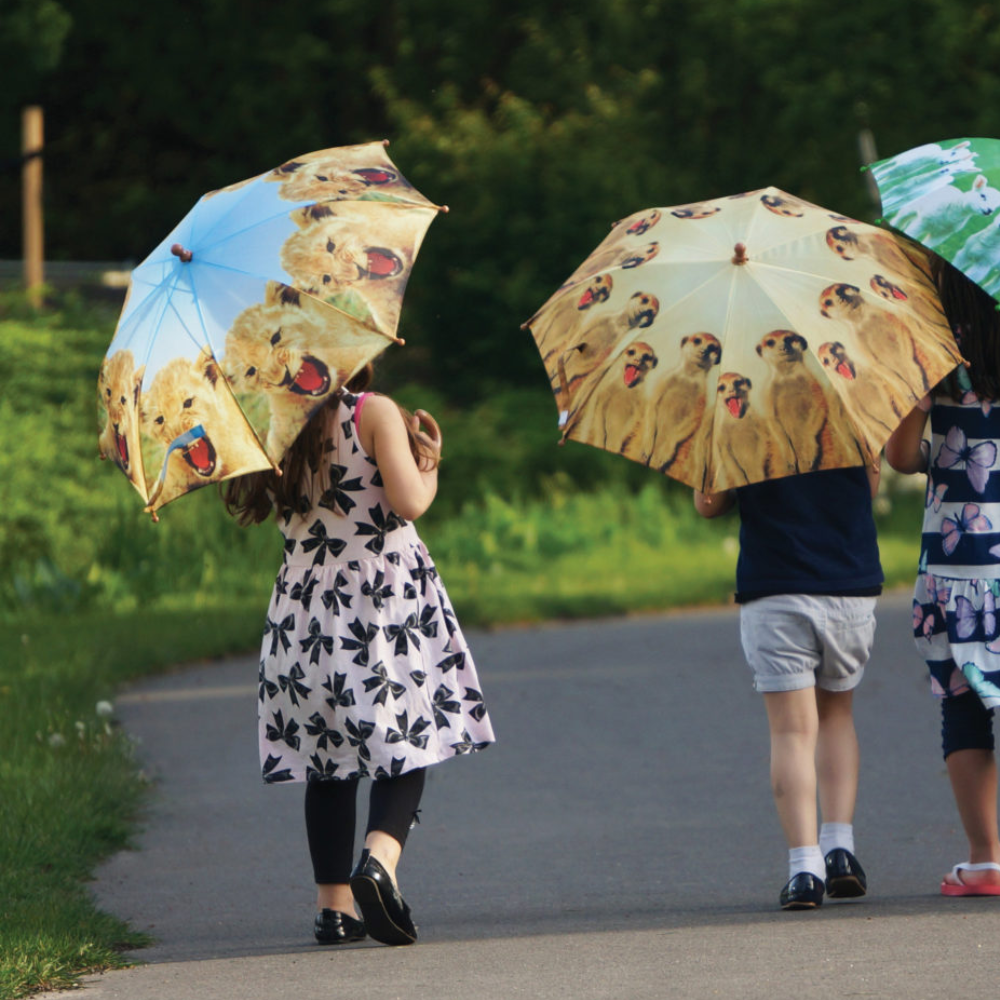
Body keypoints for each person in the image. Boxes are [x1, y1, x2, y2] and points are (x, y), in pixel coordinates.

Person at [224, 363, 496, 945]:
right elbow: (408, 503)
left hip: (302, 609)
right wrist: (429, 463)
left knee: (326, 757)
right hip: (378, 602)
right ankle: (378, 860)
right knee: (409, 735)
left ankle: (334, 910)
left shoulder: (275, 421)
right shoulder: (371, 411)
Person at [694, 461, 882, 910]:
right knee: (837, 716)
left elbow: (709, 503)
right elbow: (869, 487)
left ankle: (804, 870)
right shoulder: (853, 397)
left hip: (774, 587)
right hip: (849, 583)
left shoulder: (740, 405)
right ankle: (840, 849)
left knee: (792, 733)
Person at [884, 255, 1000, 897]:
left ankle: (985, 859)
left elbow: (902, 457)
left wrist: (936, 451)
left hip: (957, 569)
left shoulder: (932, 359)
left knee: (963, 706)